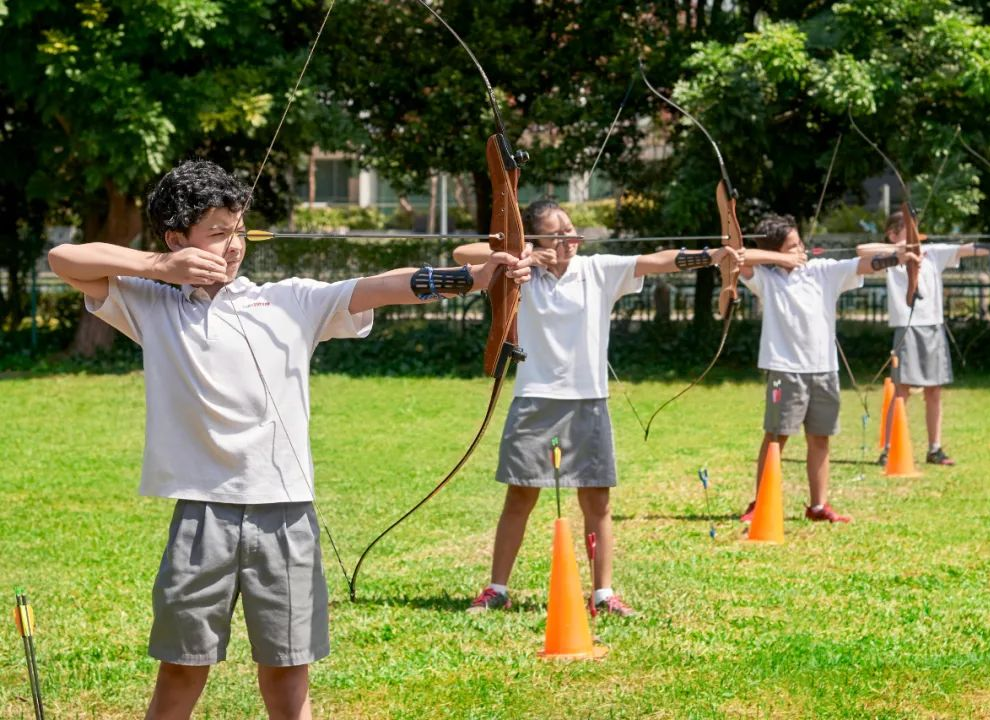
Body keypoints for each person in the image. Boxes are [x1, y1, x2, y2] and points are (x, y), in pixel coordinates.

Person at [47, 159, 530, 720]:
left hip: (286, 513)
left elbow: (376, 288)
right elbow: (64, 260)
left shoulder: (289, 299)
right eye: (218, 233)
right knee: (182, 664)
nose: (232, 247)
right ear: (179, 239)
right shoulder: (153, 305)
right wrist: (163, 266)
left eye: (239, 232)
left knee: (287, 666)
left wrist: (469, 280)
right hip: (204, 511)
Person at [455, 199, 744, 616]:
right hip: (534, 398)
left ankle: (603, 595)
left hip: (588, 401)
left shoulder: (597, 270)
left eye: (571, 230)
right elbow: (462, 256)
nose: (571, 239)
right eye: (557, 235)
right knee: (519, 495)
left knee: (597, 501)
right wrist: (523, 255)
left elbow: (655, 261)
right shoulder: (518, 274)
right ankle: (497, 588)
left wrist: (709, 255)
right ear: (535, 239)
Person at [737, 214, 919, 525]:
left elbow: (863, 265)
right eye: (793, 245)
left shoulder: (822, 271)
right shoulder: (767, 280)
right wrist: (783, 259)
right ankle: (761, 502)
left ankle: (819, 506)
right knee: (776, 437)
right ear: (777, 250)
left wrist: (900, 256)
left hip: (824, 370)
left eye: (800, 243)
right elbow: (740, 257)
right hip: (784, 370)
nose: (801, 250)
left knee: (820, 438)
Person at [858, 211, 990, 465]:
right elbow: (862, 250)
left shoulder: (932, 253)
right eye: (908, 230)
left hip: (933, 326)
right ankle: (890, 449)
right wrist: (902, 248)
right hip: (907, 327)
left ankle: (935, 449)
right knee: (902, 390)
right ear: (892, 234)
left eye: (916, 231)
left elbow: (969, 248)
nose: (917, 236)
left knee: (934, 390)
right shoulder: (890, 256)